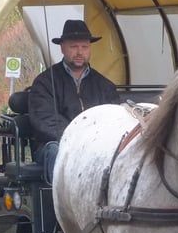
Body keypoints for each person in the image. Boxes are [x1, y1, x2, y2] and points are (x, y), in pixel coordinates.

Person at [28, 19, 120, 182]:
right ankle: (58, 206)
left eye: (84, 47)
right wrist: (78, 139)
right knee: (57, 151)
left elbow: (113, 119)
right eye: (74, 47)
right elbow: (45, 121)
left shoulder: (104, 86)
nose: (79, 52)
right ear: (62, 48)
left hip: (97, 144)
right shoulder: (45, 82)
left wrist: (95, 141)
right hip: (57, 143)